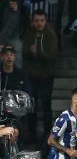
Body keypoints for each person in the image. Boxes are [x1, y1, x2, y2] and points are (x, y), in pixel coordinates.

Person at [23, 10, 57, 142]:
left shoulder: (50, 35)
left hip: (46, 75)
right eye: (36, 20)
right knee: (32, 105)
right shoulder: (28, 34)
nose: (39, 23)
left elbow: (52, 55)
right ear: (33, 21)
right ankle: (31, 134)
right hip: (32, 76)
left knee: (46, 104)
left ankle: (47, 134)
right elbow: (24, 52)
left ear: (45, 21)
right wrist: (31, 52)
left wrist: (37, 53)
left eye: (41, 20)